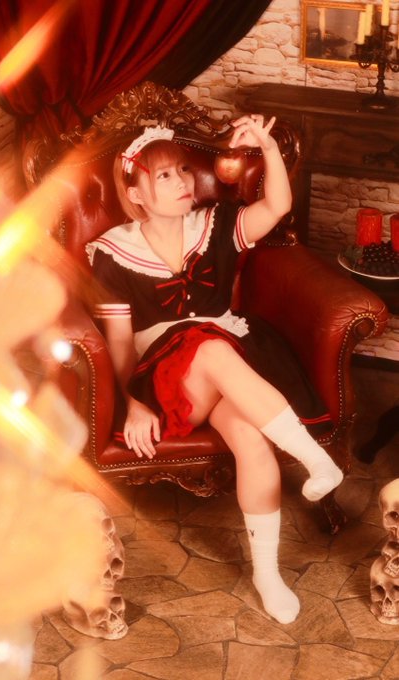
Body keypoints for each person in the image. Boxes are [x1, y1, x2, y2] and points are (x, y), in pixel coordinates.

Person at [86, 115, 343, 625]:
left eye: (184, 170)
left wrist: (267, 146)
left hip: (227, 366)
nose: (182, 181)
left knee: (248, 435)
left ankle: (267, 574)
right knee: (208, 348)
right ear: (135, 194)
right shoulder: (113, 253)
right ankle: (318, 461)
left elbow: (277, 206)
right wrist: (131, 402)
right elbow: (118, 342)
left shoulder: (216, 224)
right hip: (164, 380)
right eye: (164, 176)